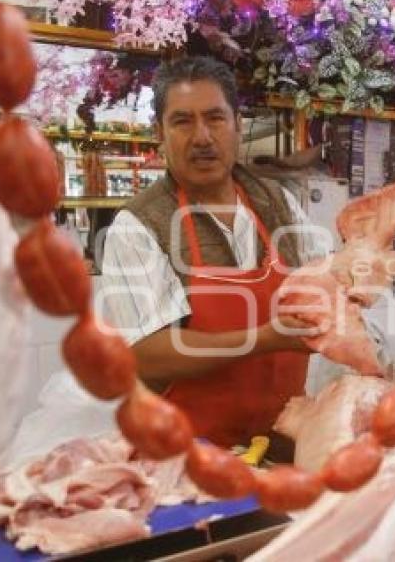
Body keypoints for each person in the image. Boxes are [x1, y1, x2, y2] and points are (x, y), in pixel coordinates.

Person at [100, 56, 329, 450]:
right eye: (183, 121)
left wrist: (363, 271)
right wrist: (266, 339)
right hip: (188, 460)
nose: (202, 136)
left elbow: (326, 285)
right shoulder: (139, 224)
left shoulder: (279, 204)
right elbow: (145, 353)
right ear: (160, 132)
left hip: (283, 444)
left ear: (237, 124)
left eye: (215, 118)